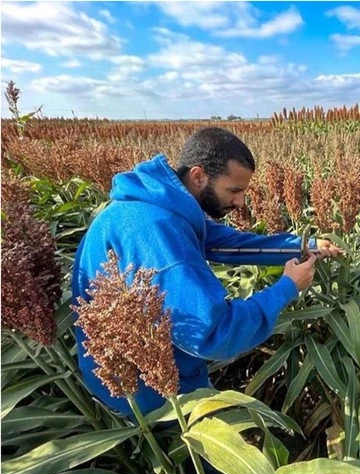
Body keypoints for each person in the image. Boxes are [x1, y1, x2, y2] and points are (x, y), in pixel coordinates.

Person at [72, 127, 342, 418]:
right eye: (235, 191)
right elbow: (215, 333)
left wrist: (303, 246)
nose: (240, 203)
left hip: (158, 360)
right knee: (234, 454)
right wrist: (287, 287)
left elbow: (233, 245)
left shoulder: (161, 207)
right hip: (144, 389)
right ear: (199, 176)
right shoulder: (157, 234)